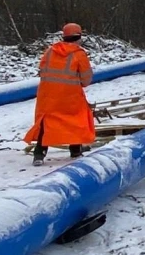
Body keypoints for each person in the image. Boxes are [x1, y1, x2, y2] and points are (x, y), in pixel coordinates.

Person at [23, 22, 95, 166]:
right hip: (70, 97)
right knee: (75, 120)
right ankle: (75, 150)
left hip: (47, 96)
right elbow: (86, 80)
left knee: (46, 122)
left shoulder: (50, 51)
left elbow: (42, 70)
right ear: (79, 36)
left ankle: (39, 154)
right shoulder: (79, 54)